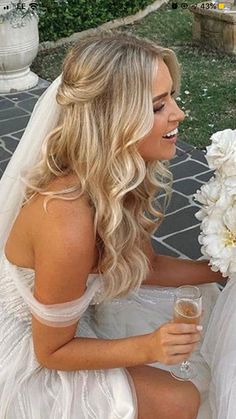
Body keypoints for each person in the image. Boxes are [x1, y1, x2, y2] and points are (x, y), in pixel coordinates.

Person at [0, 31, 223, 419]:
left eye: (170, 97)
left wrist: (222, 268)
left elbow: (145, 265)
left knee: (205, 300)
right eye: (157, 106)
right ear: (113, 121)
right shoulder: (66, 222)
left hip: (68, 318)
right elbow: (51, 351)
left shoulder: (117, 179)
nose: (178, 114)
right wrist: (150, 347)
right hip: (36, 349)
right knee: (179, 400)